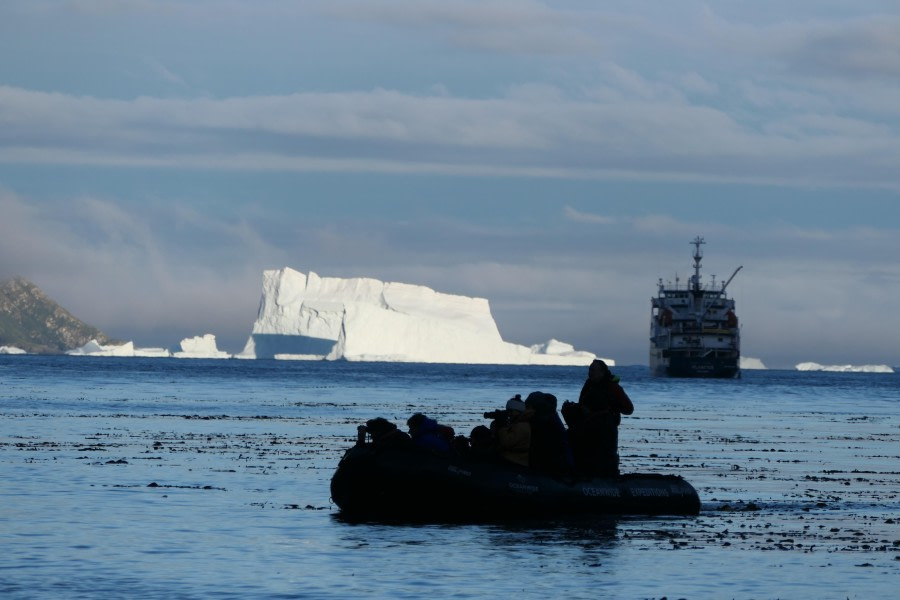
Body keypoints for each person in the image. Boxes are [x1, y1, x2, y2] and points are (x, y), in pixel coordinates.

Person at [563, 359, 634, 476]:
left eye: (593, 370)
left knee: (604, 460)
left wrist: (610, 409)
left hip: (606, 431)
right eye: (589, 370)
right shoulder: (588, 385)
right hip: (588, 428)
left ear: (602, 372)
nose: (590, 373)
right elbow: (582, 402)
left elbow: (629, 409)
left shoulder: (613, 387)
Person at [524, 391, 574, 475]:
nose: (527, 410)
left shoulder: (543, 421)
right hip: (561, 462)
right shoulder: (549, 417)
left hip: (556, 466)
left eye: (529, 407)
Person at [490, 396, 532, 467]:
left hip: (516, 462)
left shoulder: (523, 426)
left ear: (518, 411)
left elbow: (506, 442)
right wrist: (496, 425)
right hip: (510, 460)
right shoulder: (516, 424)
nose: (509, 414)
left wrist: (502, 426)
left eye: (511, 411)